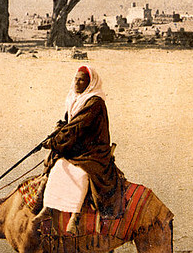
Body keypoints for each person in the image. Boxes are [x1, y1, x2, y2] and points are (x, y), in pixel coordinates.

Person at [35, 66, 125, 233]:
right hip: (79, 146)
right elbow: (69, 122)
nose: (77, 82)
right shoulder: (75, 99)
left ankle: (76, 217)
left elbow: (77, 127)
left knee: (80, 173)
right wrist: (56, 130)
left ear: (90, 83)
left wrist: (55, 141)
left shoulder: (95, 102)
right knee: (58, 166)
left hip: (93, 150)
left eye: (82, 79)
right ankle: (48, 208)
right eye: (76, 78)